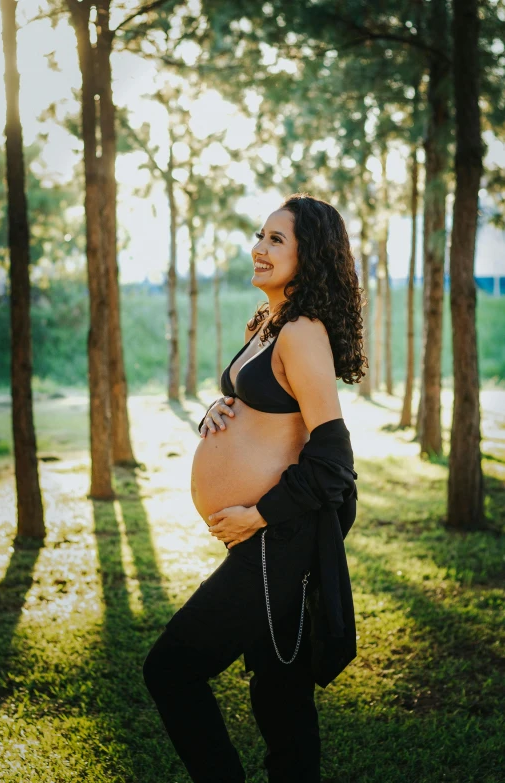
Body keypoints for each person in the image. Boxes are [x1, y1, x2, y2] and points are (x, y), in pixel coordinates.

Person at [142, 193, 366, 783]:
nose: (259, 248)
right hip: (267, 541)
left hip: (276, 540)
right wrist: (221, 409)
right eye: (260, 235)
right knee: (281, 694)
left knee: (171, 669)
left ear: (308, 254)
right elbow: (265, 413)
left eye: (276, 240)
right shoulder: (273, 324)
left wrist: (260, 516)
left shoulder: (302, 333)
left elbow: (333, 459)